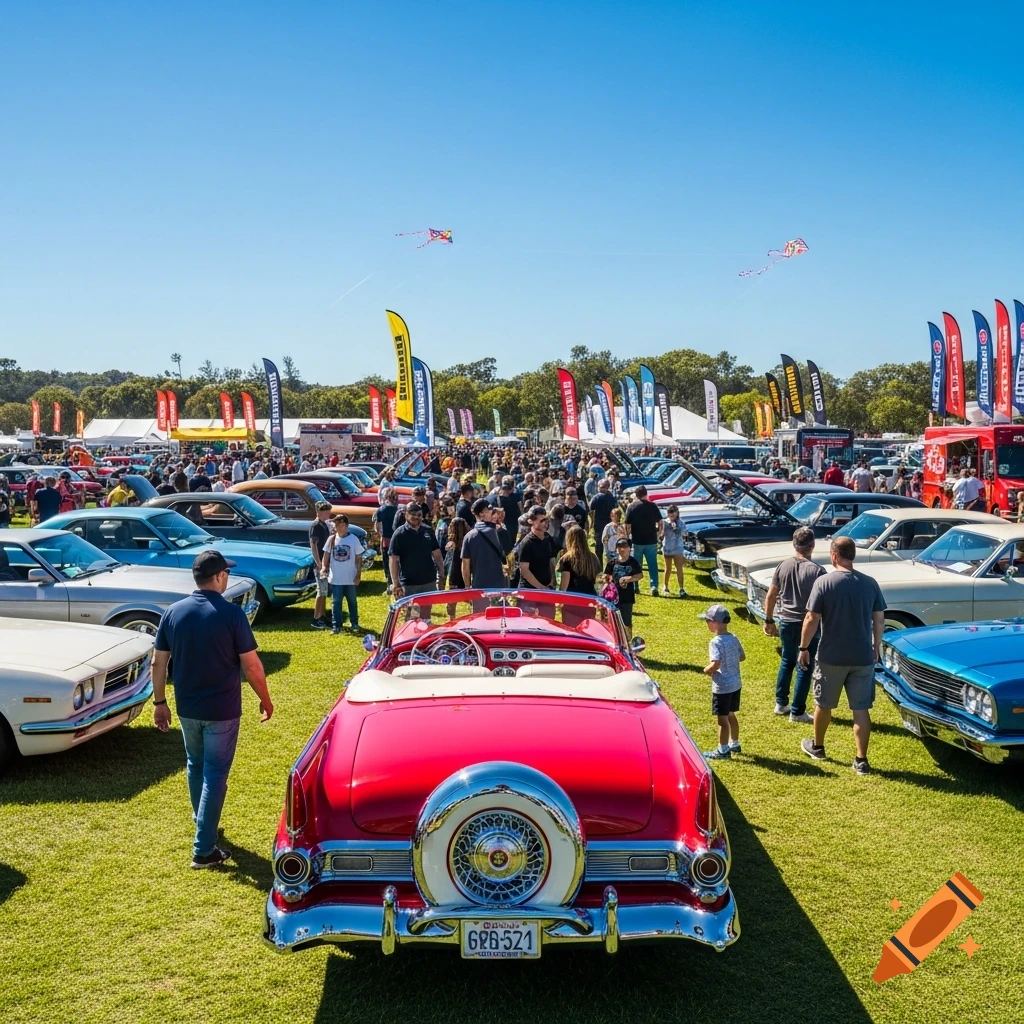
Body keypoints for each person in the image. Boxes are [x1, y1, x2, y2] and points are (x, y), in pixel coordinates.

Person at [151, 550, 273, 869]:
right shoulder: (231, 615)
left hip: (186, 707)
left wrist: (159, 702)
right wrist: (265, 697)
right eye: (226, 574)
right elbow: (252, 665)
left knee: (196, 764)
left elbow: (158, 662)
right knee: (215, 774)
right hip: (222, 709)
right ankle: (204, 849)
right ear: (219, 577)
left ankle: (202, 821)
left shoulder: (172, 612)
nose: (228, 578)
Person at [798, 535, 886, 775]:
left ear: (834, 556)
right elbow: (879, 618)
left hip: (830, 656)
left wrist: (803, 647)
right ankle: (861, 760)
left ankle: (818, 747)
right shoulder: (870, 583)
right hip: (862, 656)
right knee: (860, 710)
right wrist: (875, 646)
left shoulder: (824, 583)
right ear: (853, 555)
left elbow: (811, 618)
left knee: (823, 705)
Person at [762, 526, 825, 723]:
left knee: (787, 662)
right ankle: (797, 711)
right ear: (812, 546)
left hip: (786, 621)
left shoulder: (783, 566)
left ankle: (781, 703)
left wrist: (769, 619)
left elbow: (771, 596)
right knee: (804, 666)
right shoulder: (817, 571)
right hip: (808, 624)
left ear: (794, 544)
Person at [698, 604, 745, 760]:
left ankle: (723, 750)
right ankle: (735, 743)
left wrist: (707, 670)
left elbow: (716, 663)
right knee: (731, 714)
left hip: (723, 687)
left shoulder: (715, 642)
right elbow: (742, 656)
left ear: (715, 623)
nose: (707, 624)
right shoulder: (733, 638)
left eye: (707, 621)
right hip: (736, 683)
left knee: (722, 719)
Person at [389, 503, 445, 597]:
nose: (416, 517)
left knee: (426, 611)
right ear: (406, 515)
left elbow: (437, 554)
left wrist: (441, 574)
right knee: (412, 611)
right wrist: (395, 583)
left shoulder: (428, 531)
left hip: (429, 581)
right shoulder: (399, 534)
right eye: (413, 515)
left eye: (419, 515)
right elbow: (393, 559)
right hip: (409, 583)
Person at [321, 514, 364, 634]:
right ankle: (337, 626)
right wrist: (324, 567)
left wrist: (358, 574)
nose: (340, 527)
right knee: (336, 602)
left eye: (342, 525)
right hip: (336, 578)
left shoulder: (353, 539)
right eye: (337, 525)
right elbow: (326, 555)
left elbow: (358, 558)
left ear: (347, 526)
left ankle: (354, 623)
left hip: (350, 577)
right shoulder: (332, 539)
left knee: (352, 601)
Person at [461, 498, 508, 590]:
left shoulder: (469, 537)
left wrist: (467, 586)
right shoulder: (499, 532)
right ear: (482, 513)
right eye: (490, 510)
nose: (493, 512)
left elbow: (465, 565)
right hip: (499, 587)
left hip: (479, 587)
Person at [624, 485, 663, 595]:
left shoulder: (631, 507)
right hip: (651, 540)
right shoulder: (653, 506)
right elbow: (660, 522)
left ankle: (636, 586)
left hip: (637, 540)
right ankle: (654, 586)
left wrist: (627, 537)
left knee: (636, 565)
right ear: (646, 494)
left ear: (636, 495)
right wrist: (660, 533)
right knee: (652, 565)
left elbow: (627, 524)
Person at [604, 537, 642, 638]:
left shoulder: (633, 562)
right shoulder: (612, 563)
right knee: (612, 620)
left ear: (629, 548)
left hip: (627, 598)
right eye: (619, 547)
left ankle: (628, 642)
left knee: (627, 622)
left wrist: (629, 578)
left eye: (624, 547)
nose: (621, 549)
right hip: (612, 598)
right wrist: (607, 580)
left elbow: (640, 575)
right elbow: (606, 577)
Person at [518, 505, 556, 591]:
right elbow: (524, 571)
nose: (546, 523)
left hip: (547, 588)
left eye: (546, 519)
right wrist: (541, 588)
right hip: (529, 591)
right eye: (542, 520)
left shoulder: (548, 539)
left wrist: (552, 582)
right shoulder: (527, 543)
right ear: (531, 521)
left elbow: (552, 561)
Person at [309, 501, 333, 630]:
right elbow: (313, 545)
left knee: (324, 591)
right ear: (319, 512)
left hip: (325, 562)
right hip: (320, 564)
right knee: (321, 591)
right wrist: (319, 563)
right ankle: (316, 617)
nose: (328, 514)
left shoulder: (324, 524)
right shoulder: (316, 525)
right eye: (326, 512)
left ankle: (322, 615)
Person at [372, 488, 399, 594]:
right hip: (397, 540)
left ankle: (389, 585)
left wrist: (381, 535)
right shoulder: (398, 510)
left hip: (386, 540)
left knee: (387, 563)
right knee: (397, 563)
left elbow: (377, 527)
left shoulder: (381, 510)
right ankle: (397, 583)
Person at [660, 504, 687, 597]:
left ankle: (681, 588)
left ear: (677, 514)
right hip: (667, 548)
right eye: (670, 515)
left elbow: (685, 534)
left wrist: (677, 529)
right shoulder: (665, 522)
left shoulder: (681, 522)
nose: (671, 517)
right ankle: (665, 586)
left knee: (679, 568)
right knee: (668, 568)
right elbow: (661, 535)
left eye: (673, 515)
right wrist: (662, 530)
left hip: (678, 548)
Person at [589, 477, 617, 555]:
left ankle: (599, 564)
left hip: (599, 524)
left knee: (599, 546)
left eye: (600, 487)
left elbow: (591, 509)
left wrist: (591, 521)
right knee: (611, 544)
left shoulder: (597, 497)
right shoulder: (612, 497)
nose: (599, 488)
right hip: (610, 523)